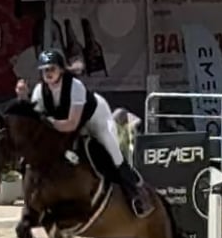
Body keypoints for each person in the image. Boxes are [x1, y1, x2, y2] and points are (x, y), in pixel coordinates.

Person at [30, 48, 151, 217]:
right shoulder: (38, 91)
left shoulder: (75, 87)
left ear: (61, 70)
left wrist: (48, 123)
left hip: (95, 119)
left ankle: (137, 194)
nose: (48, 73)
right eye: (44, 70)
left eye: (52, 69)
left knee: (113, 153)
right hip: (64, 124)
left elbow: (72, 124)